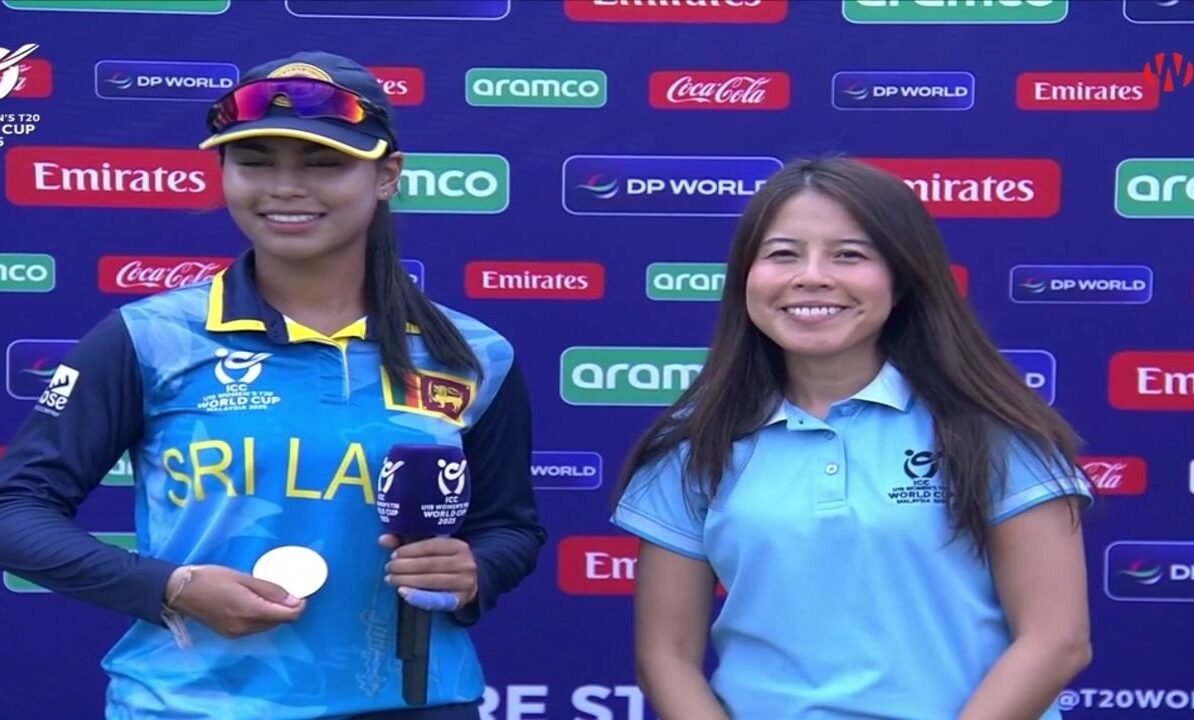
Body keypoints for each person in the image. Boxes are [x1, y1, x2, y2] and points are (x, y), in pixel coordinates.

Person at [0, 51, 545, 720]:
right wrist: (172, 586)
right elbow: (15, 509)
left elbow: (508, 526)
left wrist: (472, 572)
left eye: (324, 164)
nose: (286, 188)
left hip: (414, 704)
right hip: (192, 706)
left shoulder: (472, 353)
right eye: (255, 162)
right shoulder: (149, 338)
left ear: (387, 176)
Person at [610, 157, 1093, 720]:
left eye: (849, 255)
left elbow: (1057, 639)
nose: (811, 276)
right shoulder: (697, 440)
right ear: (745, 277)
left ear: (902, 278)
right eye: (783, 254)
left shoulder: (990, 426)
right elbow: (665, 656)